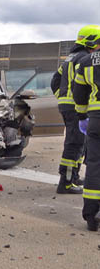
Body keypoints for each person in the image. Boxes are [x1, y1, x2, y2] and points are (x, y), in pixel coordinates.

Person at [51, 25, 100, 194]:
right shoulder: (85, 58)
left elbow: (55, 80)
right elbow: (83, 86)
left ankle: (74, 177)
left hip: (68, 106)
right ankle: (65, 183)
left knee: (78, 142)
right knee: (75, 144)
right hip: (77, 107)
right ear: (93, 42)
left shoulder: (70, 58)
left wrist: (62, 97)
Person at [73, 33, 100, 231]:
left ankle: (91, 215)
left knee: (94, 165)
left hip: (95, 120)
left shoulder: (86, 61)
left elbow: (79, 92)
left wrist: (82, 117)